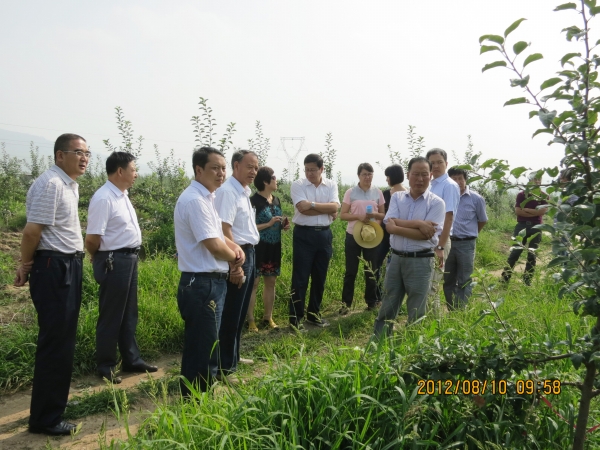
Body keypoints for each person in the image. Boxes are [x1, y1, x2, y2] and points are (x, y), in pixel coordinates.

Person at [14, 134, 89, 436]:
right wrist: (24, 265)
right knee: (56, 343)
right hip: (54, 267)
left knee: (63, 340)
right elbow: (32, 232)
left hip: (66, 265)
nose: (84, 158)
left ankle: (53, 406)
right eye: (78, 152)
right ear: (60, 155)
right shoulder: (52, 184)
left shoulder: (68, 184)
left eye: (87, 153)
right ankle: (45, 419)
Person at [174, 146, 244, 396]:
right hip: (202, 284)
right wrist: (236, 259)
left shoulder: (207, 198)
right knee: (203, 349)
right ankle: (197, 402)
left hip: (209, 282)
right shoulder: (195, 201)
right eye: (215, 168)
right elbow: (213, 245)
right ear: (198, 169)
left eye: (223, 168)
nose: (221, 173)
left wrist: (234, 247)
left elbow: (220, 238)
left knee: (205, 346)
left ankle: (197, 399)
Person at [85, 152, 157, 384]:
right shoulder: (104, 198)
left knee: (128, 313)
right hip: (113, 260)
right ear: (120, 171)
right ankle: (106, 365)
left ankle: (131, 359)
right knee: (112, 314)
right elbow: (92, 238)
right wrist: (98, 256)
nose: (136, 174)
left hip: (128, 258)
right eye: (133, 169)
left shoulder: (121, 195)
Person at [374, 156, 445, 336]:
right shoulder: (397, 197)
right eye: (415, 174)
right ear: (408, 175)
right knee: (388, 304)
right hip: (396, 259)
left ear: (430, 176)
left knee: (416, 309)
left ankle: (412, 347)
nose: (420, 179)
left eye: (424, 174)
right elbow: (389, 223)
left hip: (421, 260)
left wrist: (397, 227)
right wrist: (419, 223)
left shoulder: (437, 203)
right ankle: (379, 342)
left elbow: (425, 235)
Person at [213, 150, 260, 380]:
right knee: (232, 312)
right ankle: (225, 367)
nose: (254, 171)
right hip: (238, 255)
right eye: (249, 167)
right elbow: (224, 229)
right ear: (236, 166)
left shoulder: (243, 192)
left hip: (248, 253)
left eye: (256, 167)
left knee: (240, 312)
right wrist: (235, 264)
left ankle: (234, 356)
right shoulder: (228, 192)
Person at [289, 153, 340, 330]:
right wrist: (327, 209)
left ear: (321, 169)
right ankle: (295, 319)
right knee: (300, 278)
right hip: (304, 235)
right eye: (306, 170)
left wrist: (311, 204)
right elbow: (302, 209)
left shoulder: (331, 184)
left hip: (324, 235)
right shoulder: (298, 184)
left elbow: (336, 206)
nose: (309, 173)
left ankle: (314, 314)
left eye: (312, 170)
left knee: (320, 277)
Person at [246, 167, 290, 332]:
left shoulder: (276, 200)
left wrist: (283, 225)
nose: (276, 180)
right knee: (254, 283)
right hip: (257, 247)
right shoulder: (253, 201)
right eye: (274, 177)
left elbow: (275, 223)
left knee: (271, 282)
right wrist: (269, 224)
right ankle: (250, 320)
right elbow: (248, 228)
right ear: (265, 181)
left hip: (274, 247)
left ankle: (268, 317)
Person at [339, 163, 385, 314]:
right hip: (353, 234)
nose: (367, 177)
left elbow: (383, 214)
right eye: (364, 174)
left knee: (371, 270)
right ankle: (346, 304)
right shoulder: (351, 192)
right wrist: (358, 216)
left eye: (370, 174)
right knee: (351, 270)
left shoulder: (378, 192)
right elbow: (343, 215)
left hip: (371, 235)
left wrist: (374, 220)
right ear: (358, 175)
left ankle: (371, 302)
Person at [443, 167, 488, 310]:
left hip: (466, 244)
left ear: (465, 180)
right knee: (447, 278)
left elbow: (482, 220)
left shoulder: (476, 199)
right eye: (454, 179)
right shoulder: (445, 197)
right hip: (447, 242)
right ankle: (451, 309)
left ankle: (461, 310)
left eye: (460, 178)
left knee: (465, 278)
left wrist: (471, 233)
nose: (457, 182)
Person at [426, 149, 460, 308]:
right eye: (432, 163)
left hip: (440, 241)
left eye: (439, 162)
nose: (436, 166)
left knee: (432, 286)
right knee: (426, 284)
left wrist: (440, 246)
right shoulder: (430, 184)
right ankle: (426, 319)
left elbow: (449, 217)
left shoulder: (449, 185)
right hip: (427, 239)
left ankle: (433, 321)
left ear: (446, 164)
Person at [501, 173, 548, 286]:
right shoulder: (522, 195)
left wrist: (526, 210)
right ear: (529, 181)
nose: (537, 182)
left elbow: (542, 211)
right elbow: (518, 211)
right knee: (515, 252)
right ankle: (505, 279)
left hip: (537, 227)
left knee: (532, 254)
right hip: (521, 226)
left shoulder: (544, 196)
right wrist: (535, 212)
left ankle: (527, 281)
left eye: (539, 179)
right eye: (534, 179)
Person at [374, 164, 407, 301]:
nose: (387, 179)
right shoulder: (385, 193)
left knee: (394, 265)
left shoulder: (407, 194)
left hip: (398, 234)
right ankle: (377, 294)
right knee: (377, 263)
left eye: (388, 176)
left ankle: (393, 296)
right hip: (383, 234)